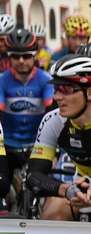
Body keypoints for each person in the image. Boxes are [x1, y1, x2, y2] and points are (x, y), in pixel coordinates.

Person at [27, 53, 91, 221]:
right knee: (50, 220)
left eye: (65, 90)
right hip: (78, 191)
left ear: (90, 93)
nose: (57, 97)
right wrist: (66, 190)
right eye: (55, 89)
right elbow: (33, 176)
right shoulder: (52, 120)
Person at [0, 28, 54, 173]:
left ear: (34, 55)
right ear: (9, 57)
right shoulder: (2, 80)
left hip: (37, 145)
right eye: (16, 57)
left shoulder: (46, 80)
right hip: (7, 145)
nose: (21, 61)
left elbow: (52, 113)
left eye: (26, 56)